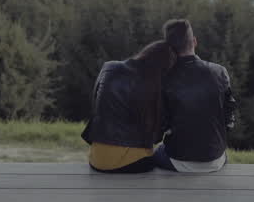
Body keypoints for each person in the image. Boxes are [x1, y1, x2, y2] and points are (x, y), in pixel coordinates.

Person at [153, 18, 237, 173]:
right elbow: (229, 115)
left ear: (169, 48)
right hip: (216, 159)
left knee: (156, 152)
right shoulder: (220, 72)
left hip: (178, 161)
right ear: (195, 41)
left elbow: (158, 128)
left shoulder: (163, 78)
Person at [81, 40, 174, 173]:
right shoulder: (154, 87)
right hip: (131, 163)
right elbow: (157, 137)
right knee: (162, 157)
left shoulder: (109, 67)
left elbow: (95, 103)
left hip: (97, 159)